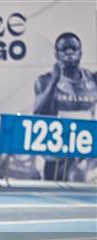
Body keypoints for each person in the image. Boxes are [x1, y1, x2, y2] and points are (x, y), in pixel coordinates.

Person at [34, 32, 97, 181]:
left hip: (84, 148)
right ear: (57, 55)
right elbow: (38, 114)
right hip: (57, 152)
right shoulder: (45, 80)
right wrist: (53, 83)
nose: (69, 53)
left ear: (80, 52)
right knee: (54, 196)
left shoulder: (93, 79)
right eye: (64, 49)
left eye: (73, 49)